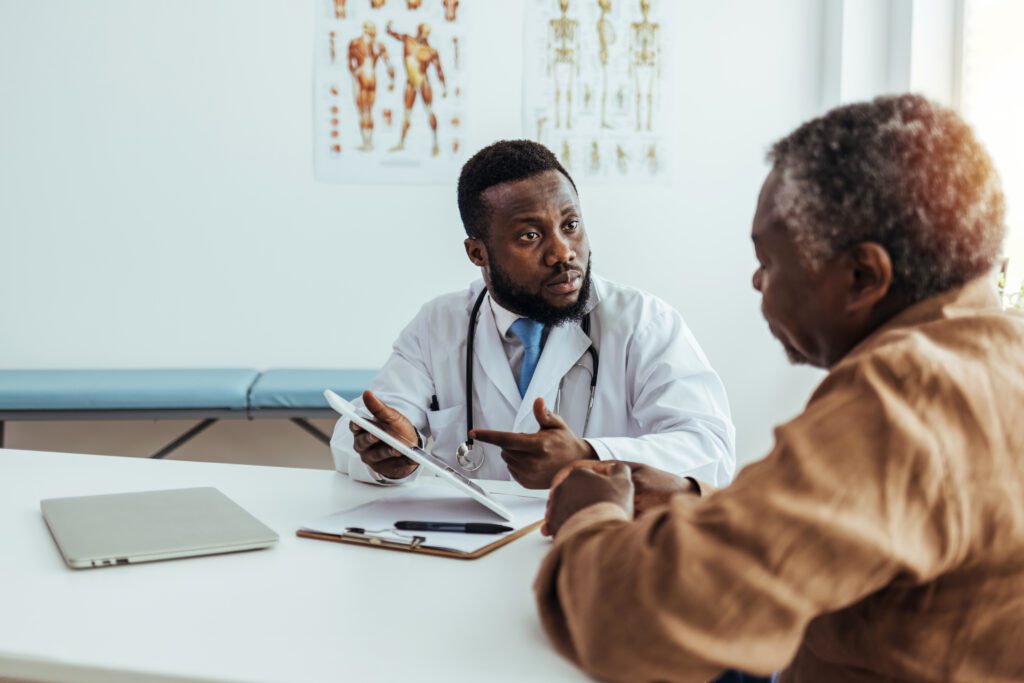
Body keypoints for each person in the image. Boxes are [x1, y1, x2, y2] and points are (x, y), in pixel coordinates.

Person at [535, 94, 1023, 682]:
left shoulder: (906, 393)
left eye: (768, 258)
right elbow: (877, 524)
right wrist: (701, 501)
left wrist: (590, 518)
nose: (757, 279)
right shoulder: (999, 353)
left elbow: (639, 618)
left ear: (862, 277)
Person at [330, 139, 735, 489]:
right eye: (530, 235)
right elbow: (361, 432)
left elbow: (710, 449)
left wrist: (589, 456)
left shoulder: (644, 322)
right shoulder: (440, 324)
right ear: (477, 253)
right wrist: (388, 453)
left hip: (597, 548)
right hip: (472, 553)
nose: (563, 252)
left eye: (570, 224)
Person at [348, 21, 395, 152]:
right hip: (372, 77)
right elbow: (390, 66)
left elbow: (351, 64)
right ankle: (368, 142)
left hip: (363, 76)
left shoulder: (356, 43)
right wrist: (392, 81)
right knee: (368, 111)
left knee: (364, 111)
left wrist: (356, 73)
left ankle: (367, 143)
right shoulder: (378, 45)